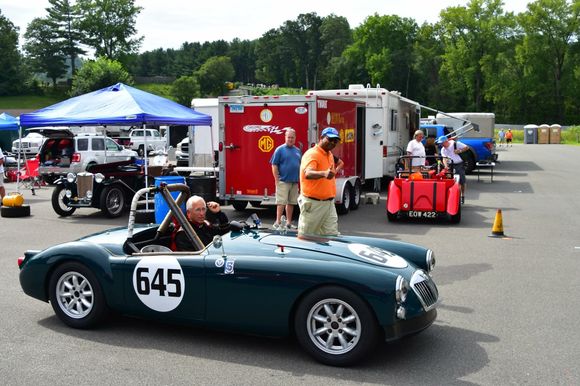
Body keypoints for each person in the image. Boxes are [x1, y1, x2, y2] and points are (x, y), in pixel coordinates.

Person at [297, 127, 341, 238]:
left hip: (329, 204)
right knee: (307, 237)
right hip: (313, 204)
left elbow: (340, 163)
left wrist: (333, 171)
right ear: (321, 138)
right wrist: (324, 174)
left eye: (335, 141)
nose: (332, 142)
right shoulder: (312, 154)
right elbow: (308, 173)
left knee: (332, 236)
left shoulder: (329, 154)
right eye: (329, 139)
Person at [270, 128, 302, 229]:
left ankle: (288, 223)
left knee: (291, 202)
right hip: (283, 181)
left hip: (294, 181)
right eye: (288, 137)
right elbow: (274, 165)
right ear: (285, 137)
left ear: (295, 138)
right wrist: (276, 179)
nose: (290, 139)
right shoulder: (279, 149)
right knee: (281, 202)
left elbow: (300, 165)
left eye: (292, 137)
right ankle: (278, 222)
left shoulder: (297, 151)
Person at [436, 135, 468, 204]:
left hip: (459, 164)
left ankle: (462, 196)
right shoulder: (443, 149)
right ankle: (452, 196)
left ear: (446, 141)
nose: (441, 144)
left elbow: (466, 147)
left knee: (462, 181)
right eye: (440, 143)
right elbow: (444, 158)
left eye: (442, 143)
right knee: (451, 181)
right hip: (451, 165)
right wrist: (446, 166)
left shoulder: (455, 144)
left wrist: (459, 150)